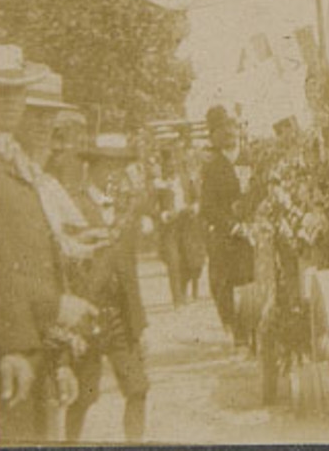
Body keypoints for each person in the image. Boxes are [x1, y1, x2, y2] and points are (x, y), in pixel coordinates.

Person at [0, 46, 93, 445]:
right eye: (1, 91)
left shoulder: (12, 165)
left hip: (29, 352)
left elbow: (34, 264)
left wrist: (57, 356)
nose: (14, 101)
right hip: (6, 355)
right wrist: (17, 344)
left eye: (19, 90)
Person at [63, 134, 150, 443]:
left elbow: (129, 266)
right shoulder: (73, 203)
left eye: (119, 165)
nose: (114, 172)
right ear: (92, 166)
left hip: (121, 313)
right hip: (87, 313)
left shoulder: (127, 207)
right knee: (83, 395)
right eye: (107, 164)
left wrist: (138, 322)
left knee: (137, 388)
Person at [200, 104, 249, 344]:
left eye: (232, 125)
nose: (229, 132)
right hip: (229, 234)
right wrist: (232, 226)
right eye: (221, 129)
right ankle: (234, 328)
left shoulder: (253, 158)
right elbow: (207, 207)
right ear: (214, 136)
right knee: (222, 280)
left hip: (258, 229)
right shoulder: (212, 168)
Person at [152, 144, 201, 308]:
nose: (171, 167)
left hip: (186, 224)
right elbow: (151, 207)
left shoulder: (185, 179)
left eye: (173, 164)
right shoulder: (157, 183)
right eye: (168, 165)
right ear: (163, 166)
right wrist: (164, 215)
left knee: (188, 261)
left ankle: (183, 290)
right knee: (173, 261)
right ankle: (177, 299)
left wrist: (193, 208)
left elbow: (196, 198)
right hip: (169, 227)